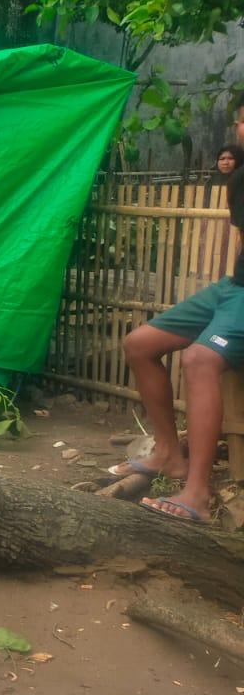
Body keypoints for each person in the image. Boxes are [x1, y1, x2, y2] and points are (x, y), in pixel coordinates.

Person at [117, 167, 244, 523]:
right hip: (233, 287)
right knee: (139, 344)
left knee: (200, 359)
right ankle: (170, 454)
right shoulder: (239, 178)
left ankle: (198, 492)